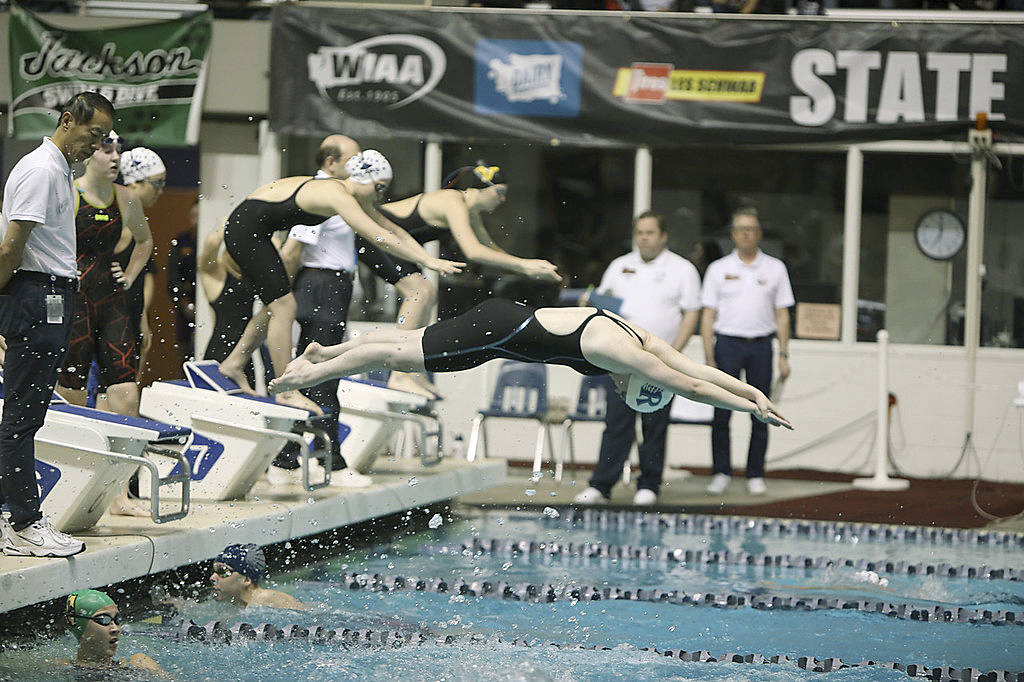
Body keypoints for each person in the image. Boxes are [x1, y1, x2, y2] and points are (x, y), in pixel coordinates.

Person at [269, 299, 792, 441]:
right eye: (626, 390)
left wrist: (753, 394)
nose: (615, 385)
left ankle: (324, 351)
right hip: (499, 335)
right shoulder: (626, 355)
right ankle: (307, 377)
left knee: (406, 341)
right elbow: (696, 386)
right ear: (637, 383)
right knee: (397, 356)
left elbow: (698, 367)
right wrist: (750, 410)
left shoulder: (642, 339)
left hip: (503, 327)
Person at [216, 150, 464, 411]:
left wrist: (427, 257)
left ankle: (234, 362)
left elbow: (392, 229)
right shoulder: (337, 194)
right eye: (380, 189)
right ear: (371, 181)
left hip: (255, 229)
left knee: (278, 306)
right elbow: (378, 236)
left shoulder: (346, 194)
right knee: (284, 307)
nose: (381, 197)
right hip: (246, 231)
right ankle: (287, 391)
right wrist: (427, 262)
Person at [0, 91, 114, 558]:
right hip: (34, 296)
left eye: (105, 138)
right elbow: (11, 248)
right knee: (21, 417)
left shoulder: (61, 172)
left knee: (29, 413)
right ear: (68, 121)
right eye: (93, 135)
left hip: (52, 295)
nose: (97, 145)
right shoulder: (41, 170)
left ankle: (17, 518)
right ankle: (23, 523)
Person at [359, 160, 561, 396]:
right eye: (499, 192)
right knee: (420, 293)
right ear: (478, 188)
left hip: (398, 244)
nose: (503, 199)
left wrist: (528, 267)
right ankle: (399, 374)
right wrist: (523, 266)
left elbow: (490, 249)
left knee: (427, 294)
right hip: (376, 236)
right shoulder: (453, 202)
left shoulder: (469, 210)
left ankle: (411, 370)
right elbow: (473, 251)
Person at [573, 211, 701, 506]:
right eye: (640, 232)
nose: (644, 238)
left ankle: (649, 484)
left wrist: (674, 354)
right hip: (620, 359)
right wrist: (588, 301)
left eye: (650, 232)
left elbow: (691, 313)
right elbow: (601, 301)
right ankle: (601, 485)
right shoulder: (620, 266)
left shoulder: (682, 270)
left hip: (659, 361)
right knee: (617, 422)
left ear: (663, 236)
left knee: (654, 423)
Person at [274, 135, 373, 487]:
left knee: (313, 373)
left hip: (329, 287)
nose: (362, 167)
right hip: (320, 287)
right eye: (354, 160)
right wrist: (277, 298)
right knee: (323, 374)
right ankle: (329, 461)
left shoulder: (338, 195)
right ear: (330, 163)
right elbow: (292, 250)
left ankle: (287, 460)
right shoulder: (319, 195)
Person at [57, 133, 152, 418]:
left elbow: (145, 241)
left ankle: (129, 457)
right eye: (107, 151)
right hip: (75, 300)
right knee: (73, 379)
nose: (115, 157)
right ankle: (69, 449)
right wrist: (60, 267)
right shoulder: (69, 193)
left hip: (112, 299)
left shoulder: (126, 197)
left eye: (118, 151)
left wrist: (130, 276)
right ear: (89, 155)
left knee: (124, 380)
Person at [701, 207, 794, 496]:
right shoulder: (718, 269)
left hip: (761, 347)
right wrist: (709, 357)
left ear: (759, 234)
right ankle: (721, 472)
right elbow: (707, 315)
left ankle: (755, 473)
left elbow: (782, 314)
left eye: (751, 229)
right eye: (740, 229)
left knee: (762, 411)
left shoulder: (775, 268)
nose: (745, 234)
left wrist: (784, 354)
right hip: (727, 345)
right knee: (721, 412)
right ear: (732, 235)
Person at [117, 147, 167, 369]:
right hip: (108, 320)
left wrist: (141, 317)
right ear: (136, 181)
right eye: (157, 183)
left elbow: (143, 277)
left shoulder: (138, 225)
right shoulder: (113, 220)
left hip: (131, 315)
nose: (161, 191)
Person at [198, 226, 260, 387]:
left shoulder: (251, 273)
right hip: (219, 354)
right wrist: (231, 224)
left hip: (245, 357)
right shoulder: (214, 274)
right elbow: (212, 242)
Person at [62, 589, 166, 674]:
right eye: (104, 619)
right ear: (80, 626)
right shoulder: (61, 669)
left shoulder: (140, 664)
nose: (115, 628)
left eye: (117, 620)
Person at [210, 543, 308, 610]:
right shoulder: (236, 607)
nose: (212, 578)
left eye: (222, 571)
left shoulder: (266, 599)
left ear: (246, 580)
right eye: (213, 571)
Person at [167, 198, 198, 359]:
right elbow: (173, 277)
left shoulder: (209, 240)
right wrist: (183, 302)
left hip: (205, 301)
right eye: (194, 216)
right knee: (185, 348)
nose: (197, 221)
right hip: (184, 302)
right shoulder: (181, 241)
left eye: (200, 216)